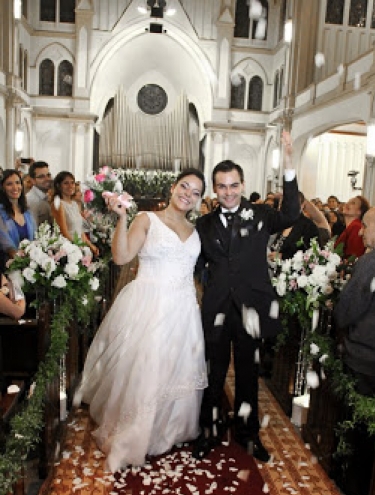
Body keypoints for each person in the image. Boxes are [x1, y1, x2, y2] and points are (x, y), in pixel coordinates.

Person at [73, 168, 208, 472]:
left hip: (184, 309)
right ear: (173, 188)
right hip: (150, 305)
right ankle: (138, 432)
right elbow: (121, 257)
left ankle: (171, 428)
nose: (187, 193)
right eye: (184, 186)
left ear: (200, 199)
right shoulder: (147, 218)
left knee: (177, 368)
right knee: (147, 369)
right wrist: (122, 218)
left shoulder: (197, 230)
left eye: (195, 191)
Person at [193, 132, 300, 462]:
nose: (228, 192)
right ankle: (208, 433)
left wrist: (289, 163)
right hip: (216, 309)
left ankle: (247, 434)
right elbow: (195, 265)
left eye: (234, 185)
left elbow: (292, 212)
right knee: (212, 374)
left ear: (242, 184)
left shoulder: (263, 215)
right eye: (222, 186)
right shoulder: (203, 224)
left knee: (248, 376)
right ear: (215, 189)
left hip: (251, 308)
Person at [334, 205, 375, 495]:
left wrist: (338, 317)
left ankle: (354, 484)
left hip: (367, 359)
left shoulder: (372, 262)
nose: (360, 231)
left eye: (366, 227)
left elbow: (347, 311)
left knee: (358, 425)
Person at [51, 171, 99, 256]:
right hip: (69, 248)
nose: (70, 186)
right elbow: (64, 232)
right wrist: (78, 247)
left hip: (80, 246)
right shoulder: (58, 204)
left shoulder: (74, 204)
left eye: (72, 183)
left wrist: (90, 246)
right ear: (59, 185)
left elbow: (80, 230)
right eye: (66, 183)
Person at [0, 169, 36, 260]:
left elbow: (36, 237)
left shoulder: (28, 211)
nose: (15, 187)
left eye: (17, 183)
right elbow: (6, 244)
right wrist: (20, 259)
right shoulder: (1, 212)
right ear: (2, 188)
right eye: (9, 184)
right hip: (8, 264)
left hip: (31, 262)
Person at [334, 195, 370, 259]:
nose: (347, 204)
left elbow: (354, 255)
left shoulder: (356, 227)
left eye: (353, 203)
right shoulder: (351, 226)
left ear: (359, 211)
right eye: (348, 202)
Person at [26, 161, 53, 226]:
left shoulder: (46, 196)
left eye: (48, 175)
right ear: (33, 180)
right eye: (41, 177)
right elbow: (33, 229)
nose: (47, 179)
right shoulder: (31, 200)